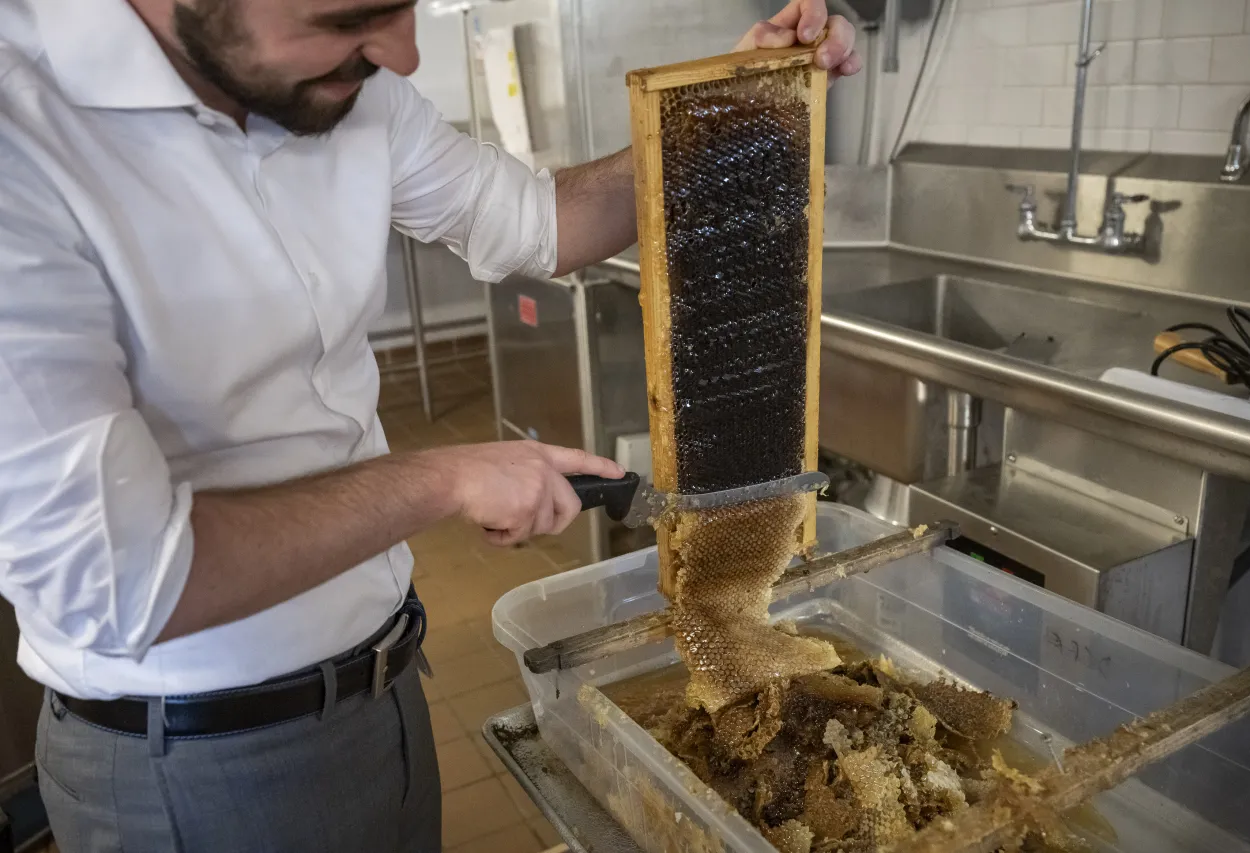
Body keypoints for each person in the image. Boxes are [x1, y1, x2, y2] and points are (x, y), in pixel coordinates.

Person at [0, 0, 860, 850]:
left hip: (386, 687)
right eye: (350, 16)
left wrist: (728, 103)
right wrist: (440, 478)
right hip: (196, 765)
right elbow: (116, 579)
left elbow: (539, 223)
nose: (405, 54)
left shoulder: (348, 84)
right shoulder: (21, 137)